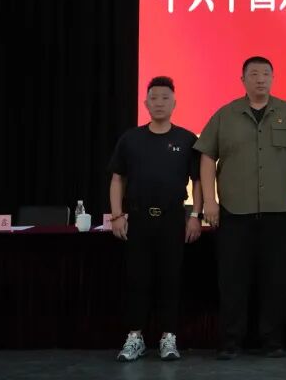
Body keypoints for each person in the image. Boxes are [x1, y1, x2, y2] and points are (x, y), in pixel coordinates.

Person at [194, 56, 286, 359]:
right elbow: (207, 156)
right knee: (232, 280)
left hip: (277, 213)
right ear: (243, 80)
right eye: (253, 74)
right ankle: (230, 342)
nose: (260, 79)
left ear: (273, 78)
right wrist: (210, 201)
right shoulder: (225, 115)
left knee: (276, 281)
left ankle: (272, 341)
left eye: (265, 74)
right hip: (234, 213)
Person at [109, 76, 202, 362]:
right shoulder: (131, 139)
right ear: (145, 103)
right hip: (138, 219)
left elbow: (198, 181)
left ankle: (168, 337)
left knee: (170, 279)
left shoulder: (187, 139)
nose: (159, 103)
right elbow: (117, 178)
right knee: (137, 279)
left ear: (174, 103)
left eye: (165, 98)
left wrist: (195, 215)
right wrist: (116, 215)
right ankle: (135, 337)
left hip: (173, 219)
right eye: (154, 98)